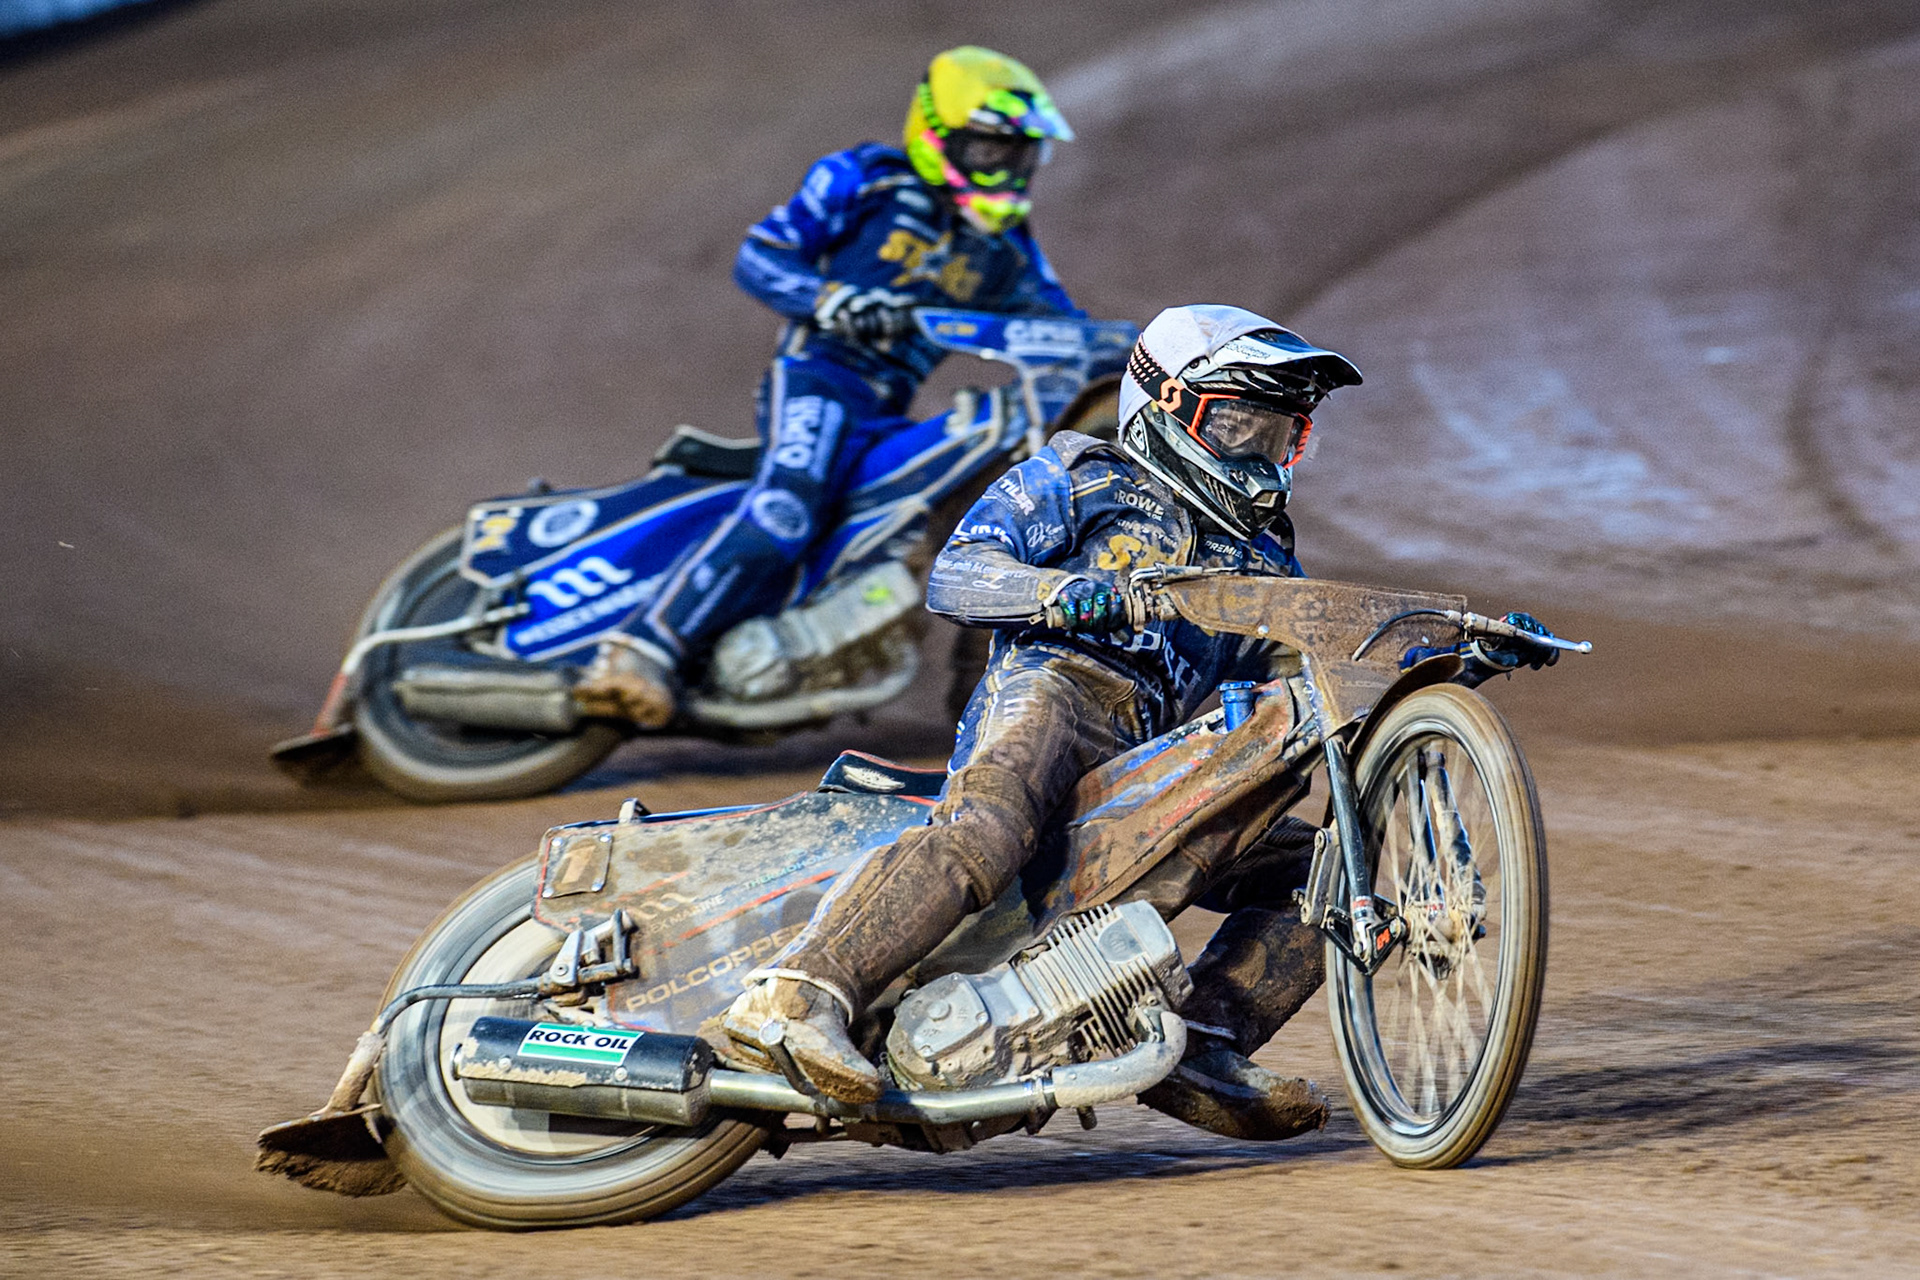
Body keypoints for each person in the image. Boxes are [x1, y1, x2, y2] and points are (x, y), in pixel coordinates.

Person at [718, 303, 1368, 1140]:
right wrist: (1057, 592)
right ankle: (797, 994)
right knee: (988, 827)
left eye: (1276, 433)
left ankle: (1207, 1042)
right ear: (1166, 402)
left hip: (1148, 756)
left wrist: (1432, 659)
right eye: (1236, 423)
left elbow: (1301, 662)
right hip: (1053, 687)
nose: (1256, 450)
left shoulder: (1264, 552)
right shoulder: (1082, 475)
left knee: (1324, 868)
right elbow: (957, 573)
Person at [573, 45, 1081, 726]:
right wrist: (828, 298)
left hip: (887, 411)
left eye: (1021, 154)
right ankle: (636, 652)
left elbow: (1064, 328)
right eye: (993, 149)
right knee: (787, 510)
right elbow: (760, 255)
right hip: (820, 377)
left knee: (930, 523)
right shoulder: (865, 180)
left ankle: (927, 684)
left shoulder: (1007, 247)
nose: (1009, 169)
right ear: (940, 134)